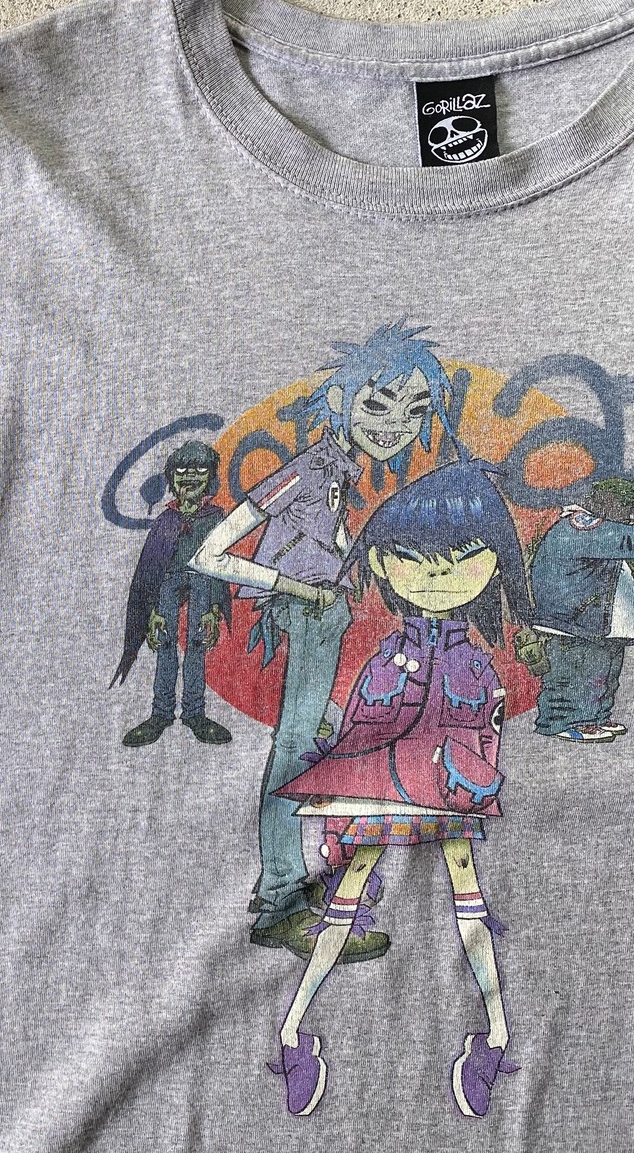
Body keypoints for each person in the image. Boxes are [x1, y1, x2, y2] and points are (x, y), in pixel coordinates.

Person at [267, 459, 531, 1119]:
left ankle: (495, 1036)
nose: (438, 576)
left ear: (494, 561)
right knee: (349, 889)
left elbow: (486, 740)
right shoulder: (387, 660)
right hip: (384, 786)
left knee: (467, 894)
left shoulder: (476, 665)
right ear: (382, 564)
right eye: (414, 559)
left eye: (462, 559)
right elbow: (356, 738)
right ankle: (293, 1034)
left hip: (445, 788)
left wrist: (470, 778)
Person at [188, 321, 454, 961]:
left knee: (321, 739)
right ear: (338, 401)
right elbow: (209, 553)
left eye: (414, 410)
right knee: (295, 750)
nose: (396, 425)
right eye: (378, 405)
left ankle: (297, 888)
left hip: (326, 619)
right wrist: (296, 588)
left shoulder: (344, 472)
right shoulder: (309, 470)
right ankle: (281, 899)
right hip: (306, 617)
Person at [111, 441, 233, 745]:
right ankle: (161, 713)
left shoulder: (215, 517)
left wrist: (214, 609)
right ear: (171, 476)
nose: (190, 476)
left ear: (210, 476)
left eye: (199, 469)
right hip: (166, 583)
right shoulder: (166, 520)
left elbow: (220, 565)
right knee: (164, 643)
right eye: (182, 469)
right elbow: (152, 568)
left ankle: (195, 712)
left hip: (203, 580)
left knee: (198, 644)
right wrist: (152, 610)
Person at [528, 476, 634, 742]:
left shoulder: (597, 525)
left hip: (596, 624)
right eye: (628, 508)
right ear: (609, 502)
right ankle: (562, 721)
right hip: (573, 623)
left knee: (604, 674)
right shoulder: (580, 525)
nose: (631, 516)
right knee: (573, 676)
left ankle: (596, 718)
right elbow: (625, 541)